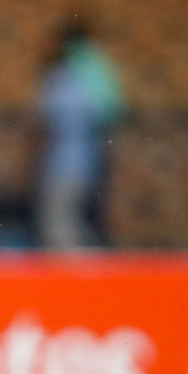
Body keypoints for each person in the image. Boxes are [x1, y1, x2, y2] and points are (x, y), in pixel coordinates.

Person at [37, 20, 123, 249]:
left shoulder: (75, 72)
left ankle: (81, 274)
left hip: (71, 156)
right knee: (74, 216)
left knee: (60, 217)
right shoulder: (95, 67)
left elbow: (53, 117)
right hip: (84, 154)